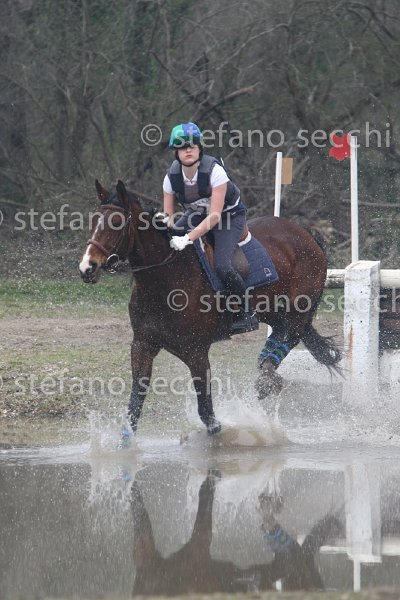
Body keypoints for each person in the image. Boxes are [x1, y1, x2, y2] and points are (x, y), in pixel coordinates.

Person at [160, 122, 258, 333]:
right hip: (197, 213)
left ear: (200, 148)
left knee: (222, 266)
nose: (188, 150)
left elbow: (214, 217)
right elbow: (169, 216)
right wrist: (165, 224)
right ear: (176, 152)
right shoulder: (170, 178)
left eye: (192, 145)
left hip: (228, 216)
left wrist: (187, 238)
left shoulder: (215, 172)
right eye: (182, 146)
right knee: (168, 244)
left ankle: (247, 313)